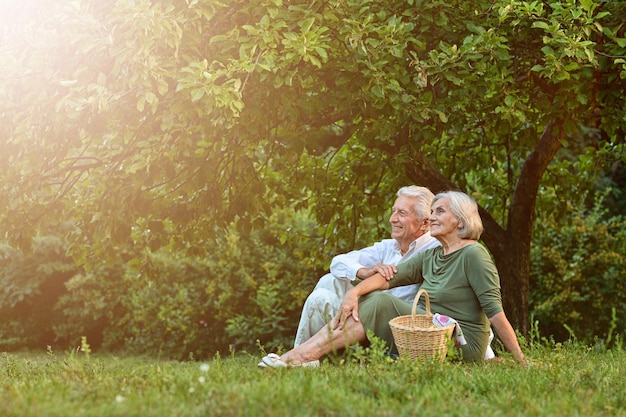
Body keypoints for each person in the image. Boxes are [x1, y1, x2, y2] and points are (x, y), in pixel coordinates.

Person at [259, 191, 526, 367]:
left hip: (460, 344)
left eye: (440, 211)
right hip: (428, 334)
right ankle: (298, 357)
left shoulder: (474, 255)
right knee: (373, 294)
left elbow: (495, 313)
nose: (432, 217)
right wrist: (353, 294)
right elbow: (388, 279)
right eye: (431, 212)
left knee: (380, 302)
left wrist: (520, 361)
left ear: (460, 219)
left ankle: (301, 357)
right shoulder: (433, 254)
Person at [293, 185, 440, 348]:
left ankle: (297, 358)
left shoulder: (434, 250)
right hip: (367, 318)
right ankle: (314, 355)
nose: (392, 219)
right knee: (329, 281)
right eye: (393, 211)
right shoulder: (390, 247)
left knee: (319, 299)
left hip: (395, 330)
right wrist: (365, 272)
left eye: (402, 213)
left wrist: (357, 292)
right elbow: (338, 262)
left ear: (425, 223)